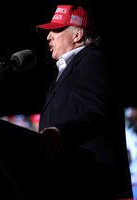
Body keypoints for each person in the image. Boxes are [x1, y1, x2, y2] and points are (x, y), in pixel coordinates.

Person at [33, 4, 133, 199]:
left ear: (77, 35)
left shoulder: (92, 60)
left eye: (56, 30)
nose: (48, 36)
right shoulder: (58, 78)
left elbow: (96, 112)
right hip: (66, 185)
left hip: (95, 185)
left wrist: (61, 132)